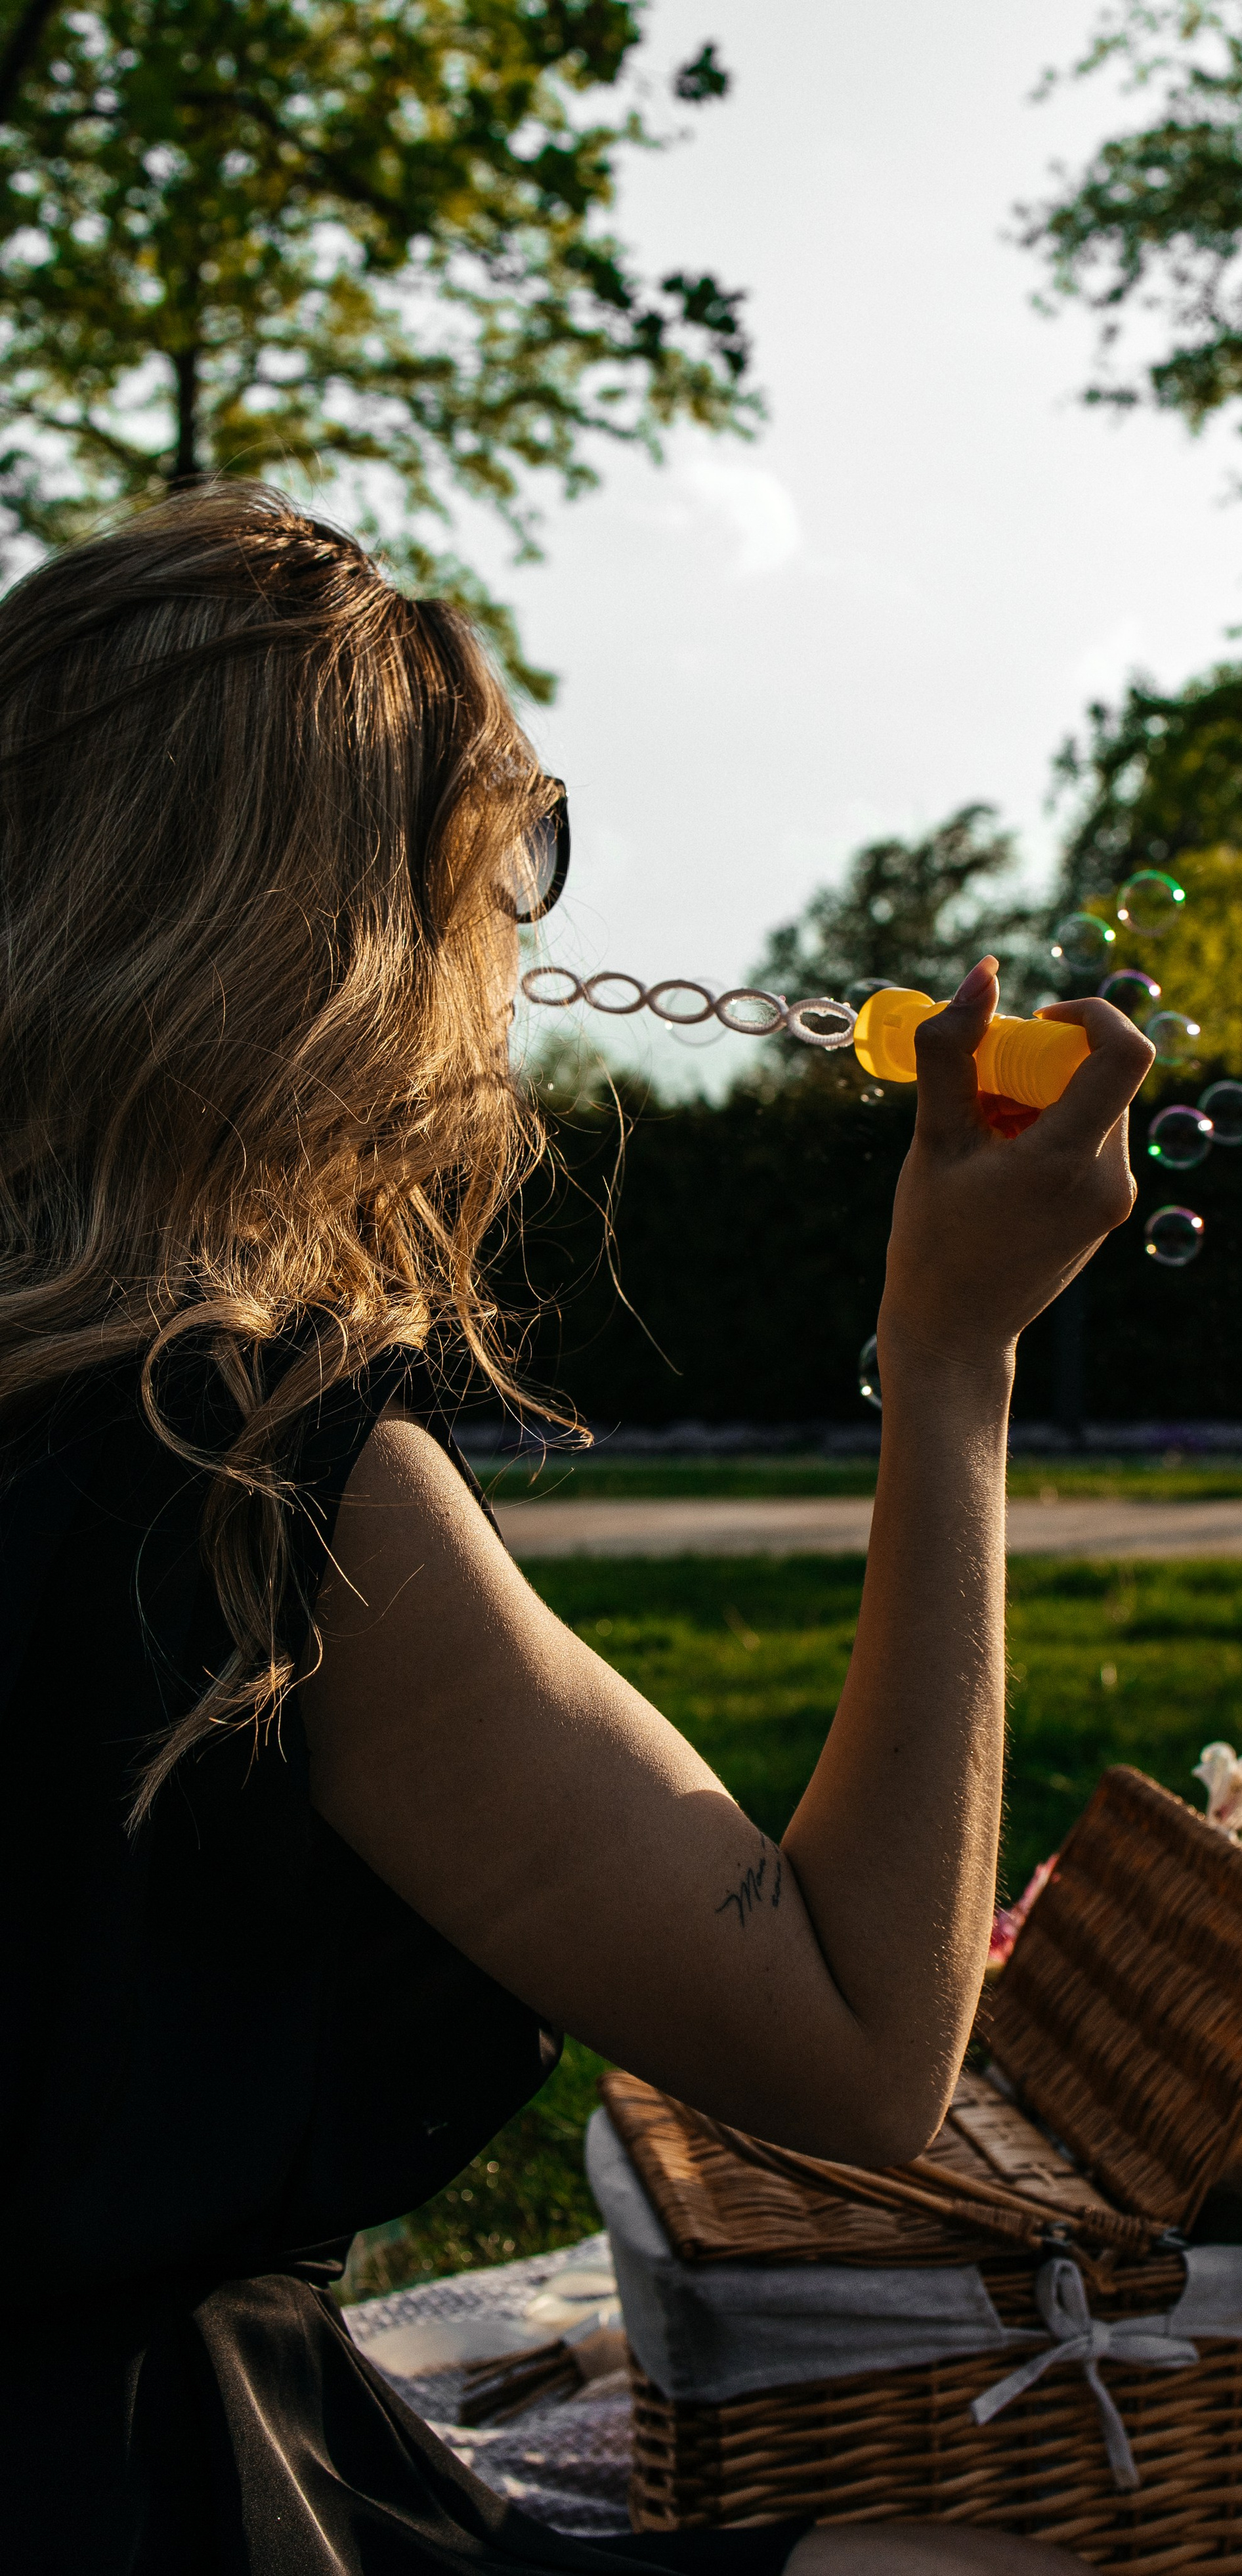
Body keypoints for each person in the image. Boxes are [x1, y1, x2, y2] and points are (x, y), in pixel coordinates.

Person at [0, 487, 1154, 2575]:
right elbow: (856, 2044)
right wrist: (954, 1356)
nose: (520, 934)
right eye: (506, 859)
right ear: (331, 937)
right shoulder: (254, 1490)